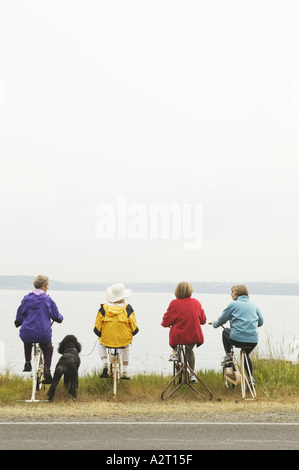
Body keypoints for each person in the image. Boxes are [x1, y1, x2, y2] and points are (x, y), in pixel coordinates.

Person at [14, 274, 64, 384]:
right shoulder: (48, 300)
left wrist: (18, 322)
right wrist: (60, 318)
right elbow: (56, 316)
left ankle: (27, 363)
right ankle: (46, 369)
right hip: (43, 334)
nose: (47, 289)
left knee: (27, 340)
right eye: (47, 287)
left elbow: (20, 315)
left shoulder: (26, 298)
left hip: (27, 332)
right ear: (43, 286)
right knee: (48, 348)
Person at [212, 284, 263, 382]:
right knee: (245, 355)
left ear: (237, 293)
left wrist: (214, 324)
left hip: (237, 339)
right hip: (253, 340)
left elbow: (221, 320)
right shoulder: (254, 305)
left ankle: (228, 356)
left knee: (225, 331)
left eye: (232, 292)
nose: (231, 294)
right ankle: (250, 378)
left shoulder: (232, 305)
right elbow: (260, 322)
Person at [161, 281, 206, 383]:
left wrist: (166, 324)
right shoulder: (196, 302)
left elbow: (166, 321)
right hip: (193, 335)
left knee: (175, 337)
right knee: (190, 351)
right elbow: (203, 320)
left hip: (179, 336)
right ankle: (192, 374)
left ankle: (175, 352)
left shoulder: (174, 303)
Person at [93, 283, 139, 380]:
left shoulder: (103, 309)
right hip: (123, 340)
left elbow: (97, 329)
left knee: (100, 343)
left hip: (107, 340)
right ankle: (125, 371)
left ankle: (105, 363)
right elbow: (134, 329)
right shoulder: (128, 308)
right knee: (127, 347)